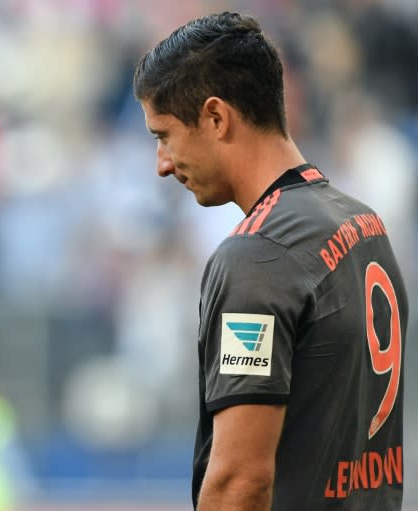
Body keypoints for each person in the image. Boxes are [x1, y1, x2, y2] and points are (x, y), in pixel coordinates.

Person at [133, 12, 407, 510]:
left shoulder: (259, 255)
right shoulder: (364, 224)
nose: (163, 164)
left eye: (164, 135)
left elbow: (240, 482)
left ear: (216, 117)